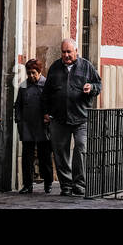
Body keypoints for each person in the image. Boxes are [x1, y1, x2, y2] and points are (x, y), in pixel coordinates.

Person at [41, 38, 101, 196]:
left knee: (81, 148)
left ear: (76, 51)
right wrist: (46, 112)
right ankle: (66, 186)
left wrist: (92, 87)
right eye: (63, 52)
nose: (66, 55)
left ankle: (79, 184)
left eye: (69, 52)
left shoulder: (86, 66)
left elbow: (98, 85)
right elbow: (46, 93)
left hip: (81, 117)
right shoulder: (55, 67)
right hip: (59, 118)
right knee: (60, 153)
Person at [13, 58, 53, 195]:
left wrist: (49, 116)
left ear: (39, 72)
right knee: (27, 158)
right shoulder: (23, 86)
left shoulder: (47, 84)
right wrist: (18, 119)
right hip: (27, 126)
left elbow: (54, 104)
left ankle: (48, 183)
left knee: (44, 157)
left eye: (33, 73)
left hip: (42, 126)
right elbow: (18, 104)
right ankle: (27, 185)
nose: (31, 76)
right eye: (28, 73)